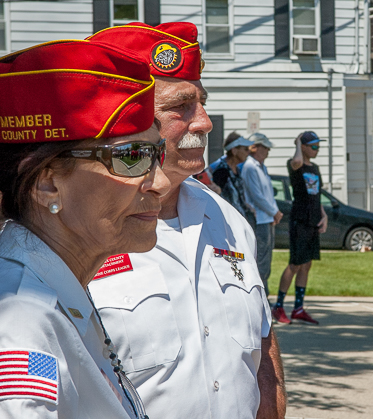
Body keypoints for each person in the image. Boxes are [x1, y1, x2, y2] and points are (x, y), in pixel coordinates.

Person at [86, 23, 286, 419]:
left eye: (202, 102)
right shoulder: (80, 229)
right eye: (181, 107)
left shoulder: (228, 219)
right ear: (126, 118)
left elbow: (262, 348)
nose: (205, 122)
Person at [0, 39, 170, 418]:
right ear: (47, 185)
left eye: (156, 154)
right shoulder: (22, 320)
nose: (160, 182)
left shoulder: (52, 289)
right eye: (130, 157)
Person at [272, 131, 327, 325]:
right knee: (295, 263)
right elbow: (296, 161)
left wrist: (324, 214)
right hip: (300, 220)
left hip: (313, 220)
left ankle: (298, 308)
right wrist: (296, 144)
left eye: (318, 146)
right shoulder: (295, 165)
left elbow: (316, 195)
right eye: (313, 146)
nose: (317, 149)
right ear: (303, 147)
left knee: (307, 264)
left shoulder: (315, 168)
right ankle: (278, 307)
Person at [241, 132, 284, 296]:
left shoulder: (261, 167)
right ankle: (259, 299)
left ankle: (264, 299)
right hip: (259, 219)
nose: (268, 151)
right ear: (255, 148)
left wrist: (274, 213)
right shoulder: (250, 167)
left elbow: (268, 194)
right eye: (265, 148)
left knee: (266, 262)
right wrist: (274, 212)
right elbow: (257, 196)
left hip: (267, 218)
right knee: (261, 262)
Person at [210, 132, 257, 229]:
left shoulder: (237, 170)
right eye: (245, 149)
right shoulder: (221, 171)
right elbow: (219, 197)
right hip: (228, 225)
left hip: (239, 222)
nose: (248, 152)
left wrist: (247, 206)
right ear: (234, 150)